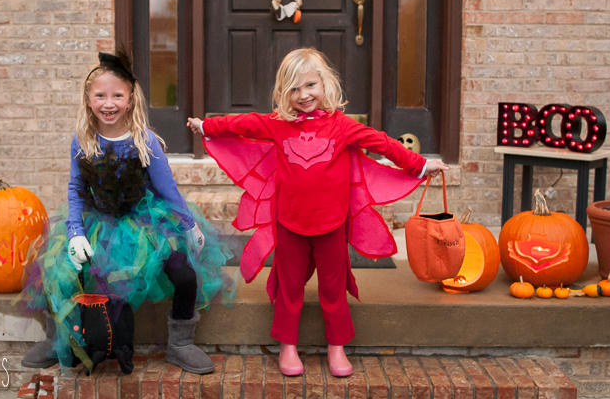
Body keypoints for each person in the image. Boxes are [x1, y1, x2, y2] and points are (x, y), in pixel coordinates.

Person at [187, 48, 448, 378]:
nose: (304, 95)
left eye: (310, 85)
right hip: (290, 224)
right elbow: (243, 124)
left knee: (333, 289)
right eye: (294, 89)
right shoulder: (277, 124)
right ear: (284, 93)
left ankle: (337, 346)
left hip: (332, 225)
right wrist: (207, 125)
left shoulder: (343, 126)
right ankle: (288, 346)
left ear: (325, 84)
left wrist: (421, 165)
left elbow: (383, 143)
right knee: (289, 288)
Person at [22, 51, 234, 375]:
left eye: (117, 95)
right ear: (88, 99)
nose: (109, 104)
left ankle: (181, 343)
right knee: (56, 269)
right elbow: (76, 188)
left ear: (131, 99)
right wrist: (75, 233)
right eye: (100, 96)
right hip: (97, 222)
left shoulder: (144, 140)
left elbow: (167, 187)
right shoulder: (83, 140)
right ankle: (57, 339)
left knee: (185, 275)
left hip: (145, 222)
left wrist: (189, 225)